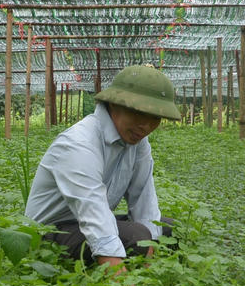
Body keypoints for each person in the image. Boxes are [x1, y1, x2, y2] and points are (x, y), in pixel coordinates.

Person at [25, 64, 181, 270]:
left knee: (168, 229)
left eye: (155, 118)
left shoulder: (138, 142)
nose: (145, 126)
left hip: (81, 224)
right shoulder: (79, 143)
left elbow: (144, 198)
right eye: (138, 113)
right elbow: (92, 212)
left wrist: (151, 252)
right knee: (137, 237)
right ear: (115, 104)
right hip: (49, 233)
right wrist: (119, 277)